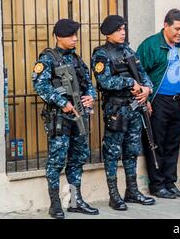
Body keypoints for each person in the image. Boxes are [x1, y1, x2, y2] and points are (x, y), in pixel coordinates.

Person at [33, 19, 99, 219]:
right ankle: (55, 205)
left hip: (79, 116)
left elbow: (88, 83)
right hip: (60, 117)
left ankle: (75, 201)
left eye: (76, 35)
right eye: (71, 35)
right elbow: (40, 85)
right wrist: (62, 102)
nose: (75, 38)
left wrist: (91, 97)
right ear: (58, 37)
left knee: (78, 159)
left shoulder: (77, 59)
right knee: (56, 161)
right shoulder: (47, 59)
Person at [92, 15, 156, 210]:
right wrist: (130, 83)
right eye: (118, 30)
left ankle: (133, 191)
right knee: (112, 152)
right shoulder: (101, 54)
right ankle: (114, 195)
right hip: (116, 110)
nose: (123, 33)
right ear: (108, 32)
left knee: (132, 151)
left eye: (123, 29)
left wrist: (147, 89)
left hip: (135, 108)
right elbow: (104, 82)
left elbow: (143, 74)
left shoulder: (129, 51)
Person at [136, 9, 180, 199]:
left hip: (177, 102)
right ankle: (157, 185)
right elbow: (138, 73)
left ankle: (170, 182)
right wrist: (147, 100)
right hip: (157, 102)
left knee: (172, 145)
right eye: (177, 29)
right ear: (165, 26)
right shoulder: (151, 45)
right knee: (156, 144)